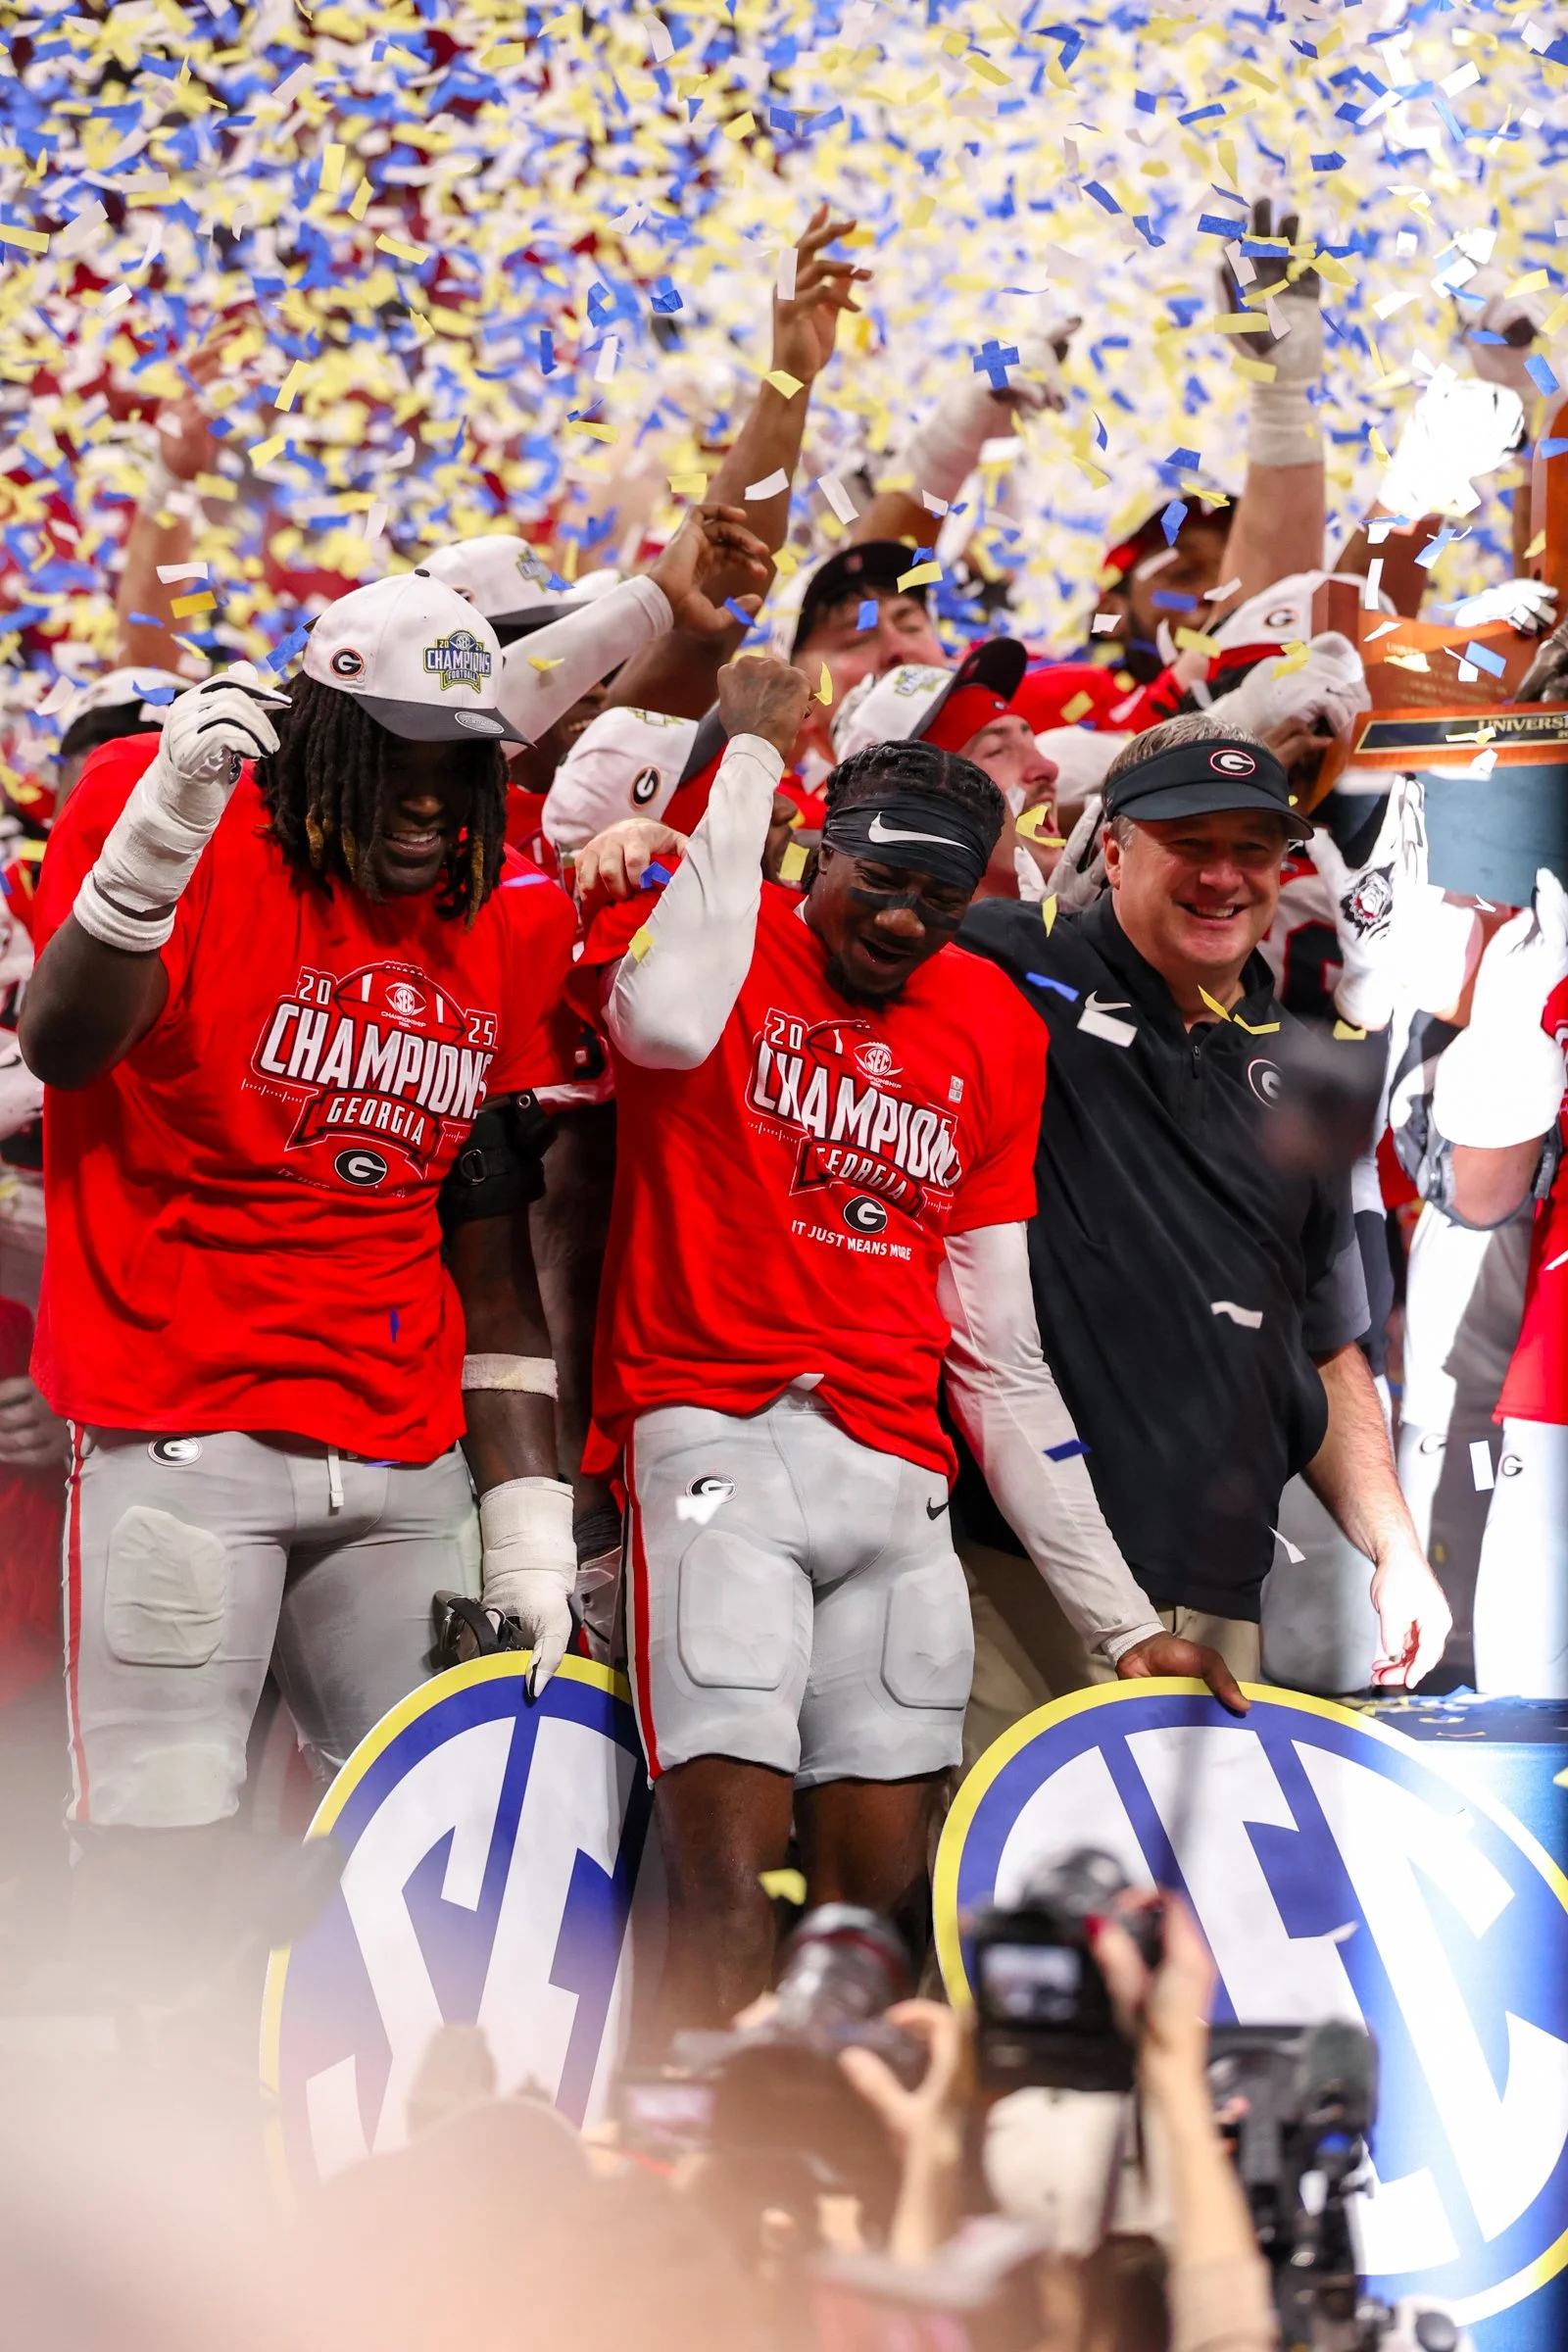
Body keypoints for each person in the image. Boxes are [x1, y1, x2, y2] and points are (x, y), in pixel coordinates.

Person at [567, 652, 1245, 2032]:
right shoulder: (715, 921)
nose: (905, 917)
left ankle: (816, 2197)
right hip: (716, 1437)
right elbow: (664, 1021)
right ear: (815, 846)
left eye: (942, 895)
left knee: (865, 1925)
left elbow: (997, 1352)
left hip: (899, 1479)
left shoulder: (991, 1020)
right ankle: (685, 2208)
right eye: (880, 879)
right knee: (719, 1892)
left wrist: (1123, 1630)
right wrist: (750, 759)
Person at [955, 712, 1451, 1730]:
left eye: (1251, 850)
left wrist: (1396, 1550)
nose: (1222, 878)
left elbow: (1322, 1348)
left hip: (1220, 1604)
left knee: (1179, 1894)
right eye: (1189, 844)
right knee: (968, 1887)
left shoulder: (1302, 1072)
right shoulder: (1003, 963)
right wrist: (640, 850)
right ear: (1112, 848)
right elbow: (829, 924)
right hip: (1007, 1583)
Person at [1425, 868, 1568, 1694]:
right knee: (1524, 1711)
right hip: (1552, 1387)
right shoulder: (1544, 959)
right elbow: (1481, 1198)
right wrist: (1514, 1029)